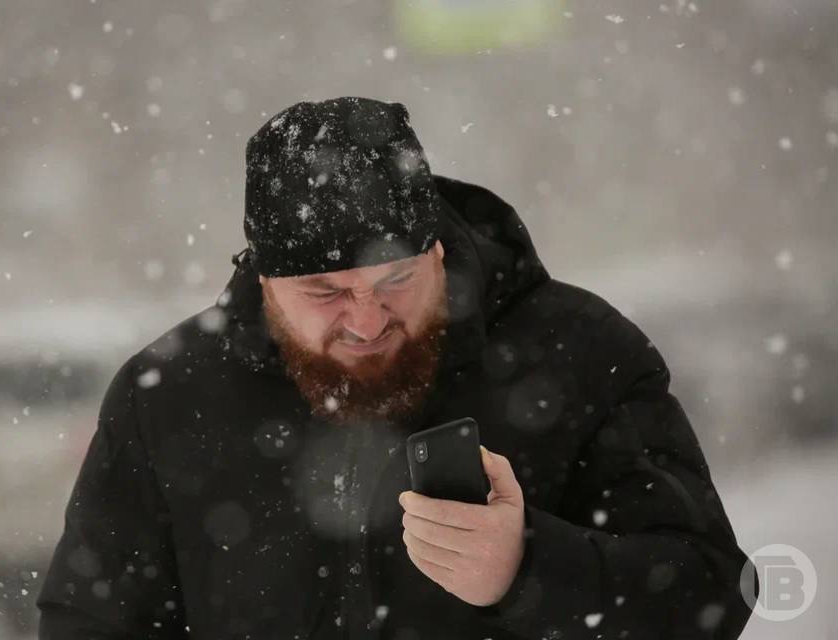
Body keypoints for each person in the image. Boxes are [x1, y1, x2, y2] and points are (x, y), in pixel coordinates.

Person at [37, 96, 758, 639]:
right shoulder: (169, 396)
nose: (367, 320)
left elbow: (718, 595)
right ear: (264, 283)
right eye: (324, 294)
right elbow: (89, 624)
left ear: (438, 254)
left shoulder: (581, 353)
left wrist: (531, 569)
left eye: (395, 283)